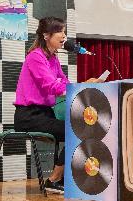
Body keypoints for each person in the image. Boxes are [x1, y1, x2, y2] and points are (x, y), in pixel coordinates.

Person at [13, 17, 100, 193]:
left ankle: (60, 179)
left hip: (45, 114)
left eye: (64, 31)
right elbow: (52, 86)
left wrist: (85, 86)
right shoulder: (35, 57)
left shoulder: (53, 58)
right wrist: (83, 86)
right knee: (77, 131)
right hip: (29, 116)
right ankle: (54, 179)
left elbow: (65, 83)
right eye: (60, 31)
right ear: (46, 35)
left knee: (84, 130)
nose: (64, 36)